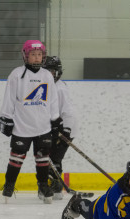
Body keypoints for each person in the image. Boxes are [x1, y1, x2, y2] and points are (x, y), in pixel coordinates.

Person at [0, 40, 61, 204]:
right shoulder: (17, 74)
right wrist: (6, 117)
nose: (36, 58)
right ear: (26, 56)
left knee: (42, 159)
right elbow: (9, 98)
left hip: (43, 126)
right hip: (22, 126)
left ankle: (42, 186)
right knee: (16, 158)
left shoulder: (47, 75)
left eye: (39, 55)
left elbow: (53, 100)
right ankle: (9, 185)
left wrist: (55, 119)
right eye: (33, 55)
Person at [43, 56, 78, 200]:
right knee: (49, 158)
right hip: (52, 128)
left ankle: (53, 188)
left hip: (64, 128)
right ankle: (55, 187)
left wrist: (66, 131)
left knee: (54, 158)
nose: (49, 74)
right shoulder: (44, 86)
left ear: (57, 72)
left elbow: (68, 112)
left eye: (52, 71)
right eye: (46, 71)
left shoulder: (60, 89)